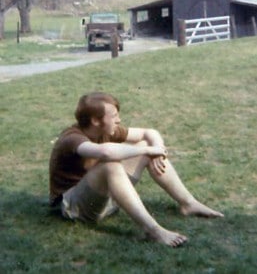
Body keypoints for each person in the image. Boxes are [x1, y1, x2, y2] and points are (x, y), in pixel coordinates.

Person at [49, 92, 224, 248]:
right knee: (112, 164)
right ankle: (153, 231)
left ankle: (188, 204)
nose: (119, 120)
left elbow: (149, 132)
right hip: (72, 208)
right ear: (96, 120)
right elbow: (106, 152)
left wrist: (156, 149)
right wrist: (148, 150)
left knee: (145, 145)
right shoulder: (71, 138)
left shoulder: (106, 130)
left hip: (100, 199)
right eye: (114, 116)